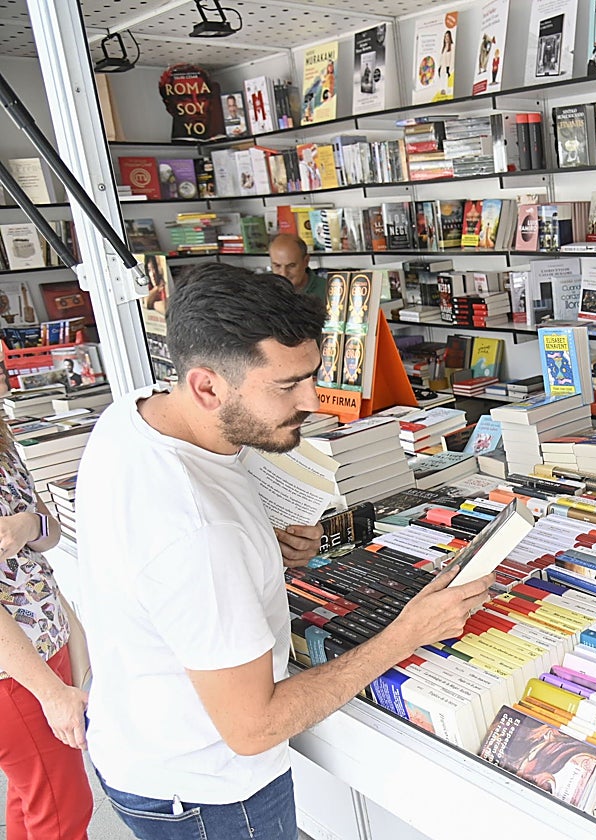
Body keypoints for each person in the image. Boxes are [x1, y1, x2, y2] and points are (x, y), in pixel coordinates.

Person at [67, 264, 494, 838]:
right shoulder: (200, 536)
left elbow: (156, 564)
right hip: (209, 793)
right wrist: (407, 634)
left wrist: (262, 549)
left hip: (141, 743)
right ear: (207, 387)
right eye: (286, 385)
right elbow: (254, 727)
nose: (313, 400)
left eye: (311, 375)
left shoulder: (135, 413)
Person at [0, 415, 91, 840]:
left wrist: (27, 525)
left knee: (34, 797)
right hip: (16, 673)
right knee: (61, 810)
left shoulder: (4, 440)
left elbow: (49, 532)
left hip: (41, 647)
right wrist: (52, 693)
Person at [268, 233, 326, 300]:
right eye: (277, 266)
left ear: (306, 261)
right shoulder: (261, 288)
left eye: (291, 266)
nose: (284, 274)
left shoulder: (328, 290)